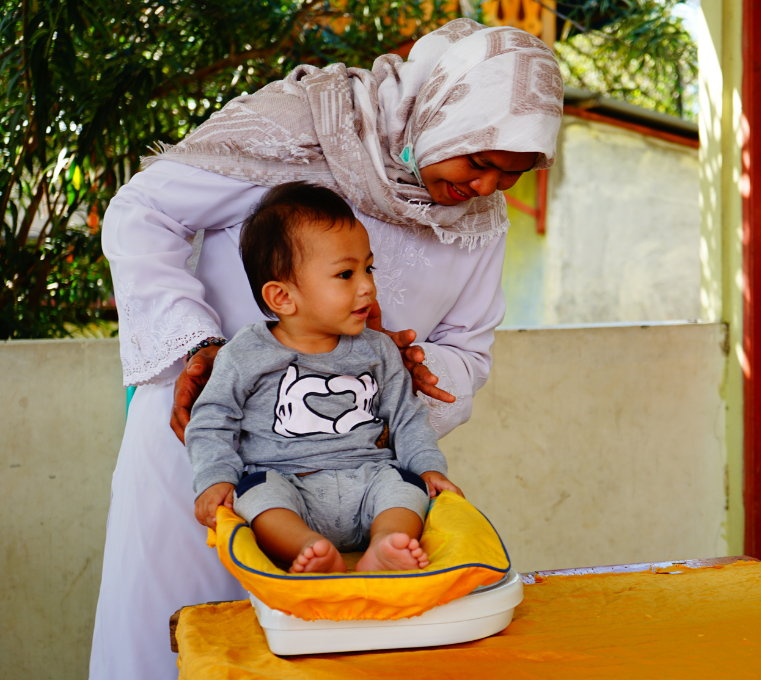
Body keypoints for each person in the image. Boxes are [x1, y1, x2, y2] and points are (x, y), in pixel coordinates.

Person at [90, 18, 562, 679]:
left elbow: (466, 347)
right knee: (177, 632)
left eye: (511, 175)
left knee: (325, 644)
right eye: (479, 161)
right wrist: (197, 343)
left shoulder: (479, 216)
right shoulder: (301, 126)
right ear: (438, 114)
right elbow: (144, 214)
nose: (486, 188)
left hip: (345, 470)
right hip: (204, 440)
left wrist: (423, 372)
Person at [188, 182, 462, 574]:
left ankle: (385, 545)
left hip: (368, 477)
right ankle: (310, 550)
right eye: (346, 274)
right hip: (286, 482)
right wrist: (215, 478)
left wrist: (428, 468)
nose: (368, 286)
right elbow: (212, 421)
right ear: (282, 297)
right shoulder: (245, 353)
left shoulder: (378, 350)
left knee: (405, 489)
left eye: (369, 268)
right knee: (255, 496)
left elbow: (408, 419)